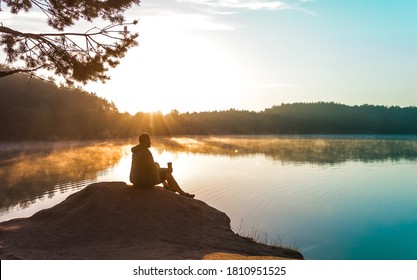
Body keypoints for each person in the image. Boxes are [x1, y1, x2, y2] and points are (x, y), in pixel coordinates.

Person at [129, 133, 195, 198]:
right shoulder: (146, 152)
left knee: (156, 164)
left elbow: (150, 166)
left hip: (136, 181)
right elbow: (153, 169)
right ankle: (182, 193)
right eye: (148, 140)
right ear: (144, 142)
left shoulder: (136, 151)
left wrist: (158, 168)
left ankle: (166, 186)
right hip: (143, 183)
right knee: (168, 174)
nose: (150, 142)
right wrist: (166, 170)